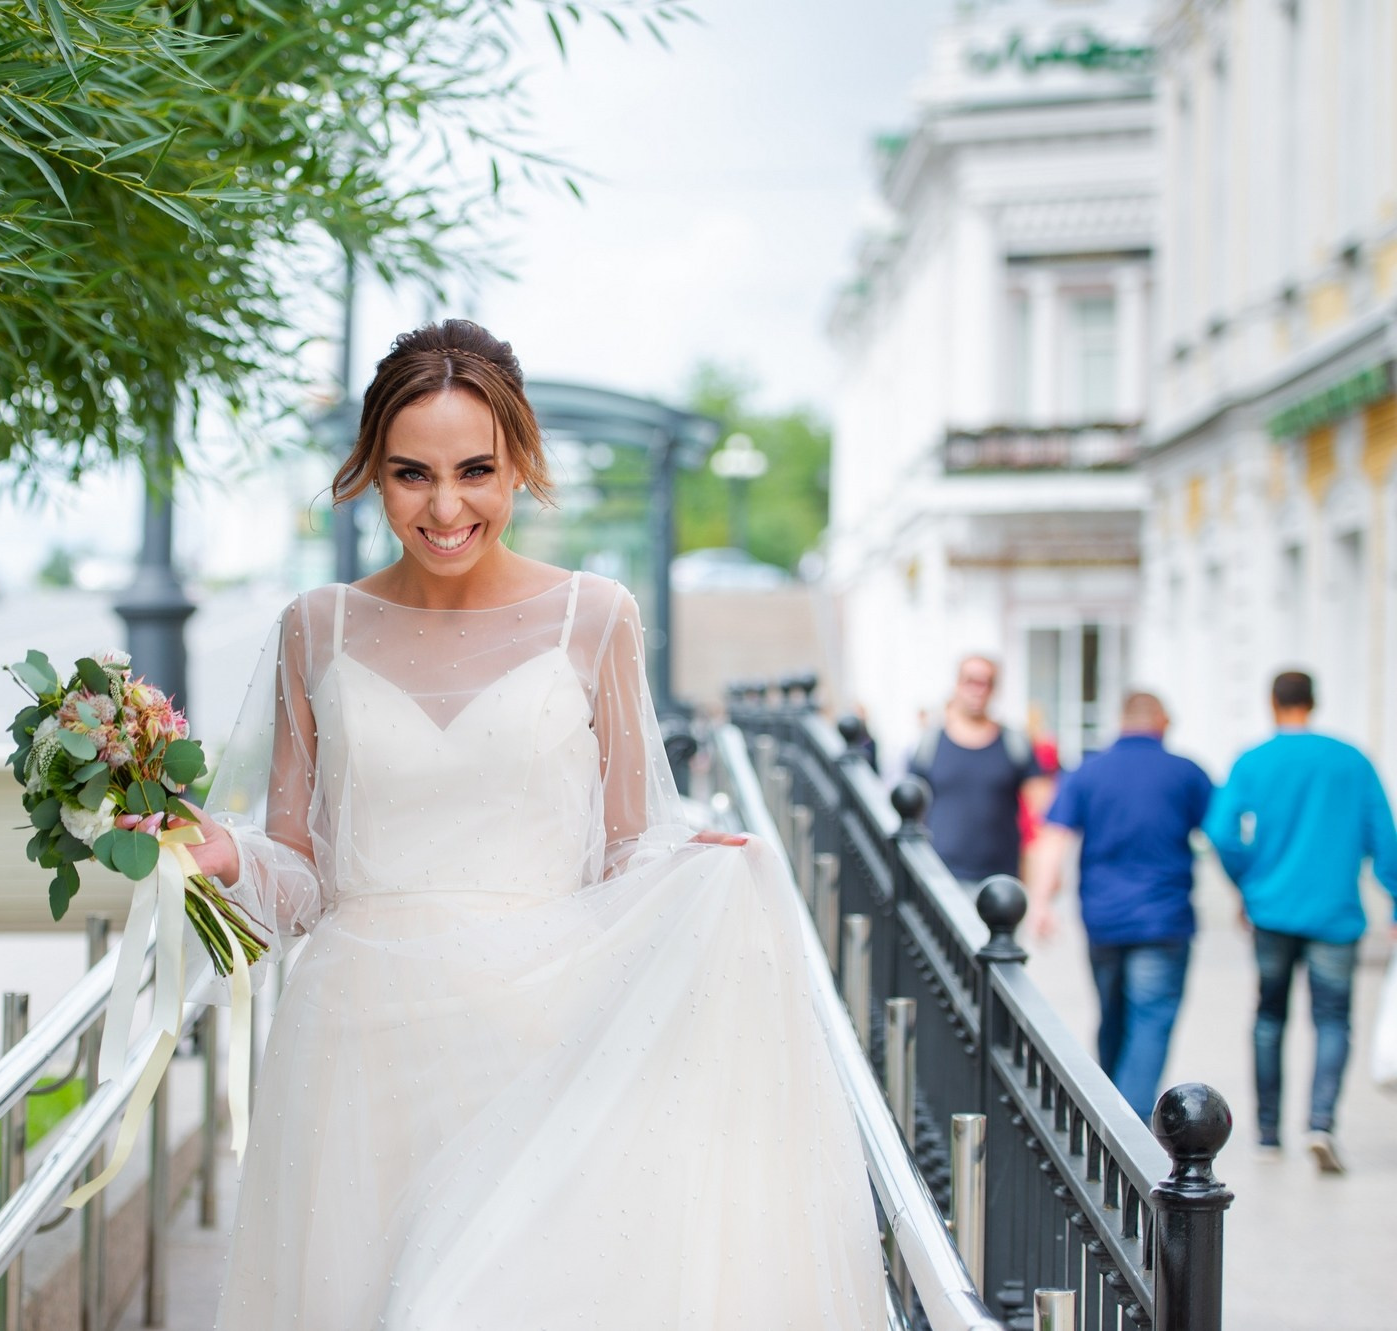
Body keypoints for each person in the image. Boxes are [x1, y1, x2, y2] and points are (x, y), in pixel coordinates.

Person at [184, 321, 884, 1328]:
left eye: (476, 469)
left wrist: (693, 865)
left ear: (520, 462)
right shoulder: (315, 624)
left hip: (531, 1034)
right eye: (409, 473)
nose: (445, 504)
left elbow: (626, 841)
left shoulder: (592, 615)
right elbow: (299, 868)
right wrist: (223, 855)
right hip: (354, 1049)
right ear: (370, 475)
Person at [1203, 670, 1397, 1174]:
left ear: (1274, 703)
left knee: (1270, 1017)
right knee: (1332, 1019)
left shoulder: (1254, 760)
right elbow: (1386, 837)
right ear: (1315, 702)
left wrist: (1247, 882)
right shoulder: (1352, 760)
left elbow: (1221, 832)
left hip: (1273, 909)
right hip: (1336, 913)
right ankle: (1321, 1123)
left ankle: (1268, 1132)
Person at [1026, 692, 1214, 1119]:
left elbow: (1053, 838)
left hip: (1104, 919)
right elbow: (1221, 834)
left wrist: (1040, 903)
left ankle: (1108, 1116)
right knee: (1148, 1024)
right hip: (1164, 920)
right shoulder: (1185, 772)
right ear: (1162, 722)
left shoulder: (1089, 771)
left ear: (1121, 720)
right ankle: (1127, 1125)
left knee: (1113, 1018)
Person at [907, 655, 1054, 890]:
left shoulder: (1013, 743)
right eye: (970, 681)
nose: (977, 690)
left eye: (985, 682)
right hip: (941, 878)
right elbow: (911, 810)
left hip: (1001, 881)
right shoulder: (931, 743)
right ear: (957, 685)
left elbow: (1045, 811)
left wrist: (1044, 876)